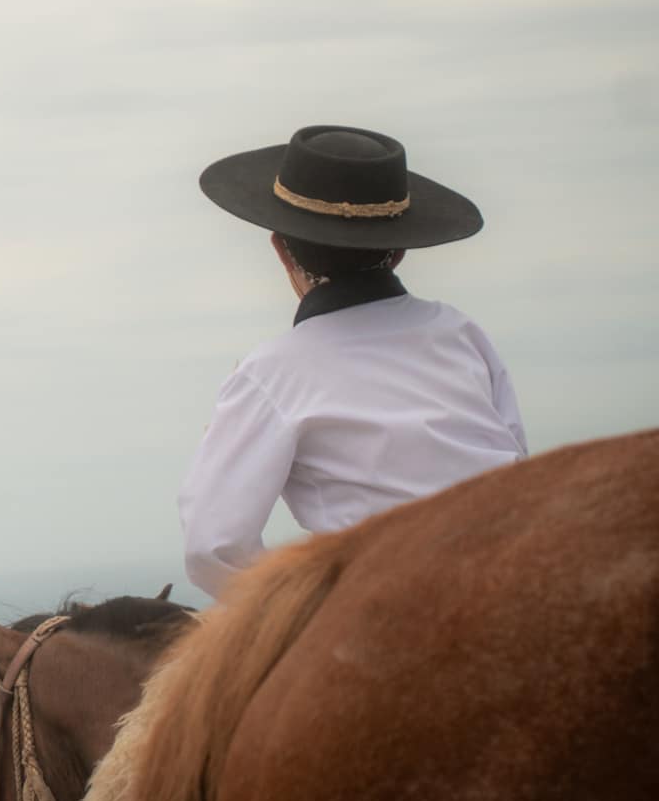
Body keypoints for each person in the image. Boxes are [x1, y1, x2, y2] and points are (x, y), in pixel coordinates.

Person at [180, 125, 527, 596]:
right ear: (400, 252)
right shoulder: (462, 333)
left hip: (389, 607)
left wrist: (309, 606)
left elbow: (213, 545)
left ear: (281, 251)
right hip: (517, 574)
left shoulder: (270, 374)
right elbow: (516, 464)